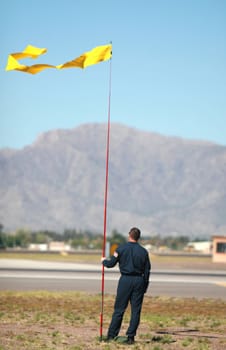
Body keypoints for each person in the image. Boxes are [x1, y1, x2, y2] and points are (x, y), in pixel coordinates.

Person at [101, 227, 151, 345]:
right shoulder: (143, 252)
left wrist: (103, 261)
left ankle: (111, 335)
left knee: (119, 309)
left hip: (125, 280)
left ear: (129, 235)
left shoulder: (121, 249)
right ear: (138, 237)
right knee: (136, 311)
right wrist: (145, 285)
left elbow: (111, 264)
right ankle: (130, 337)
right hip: (139, 280)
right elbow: (147, 270)